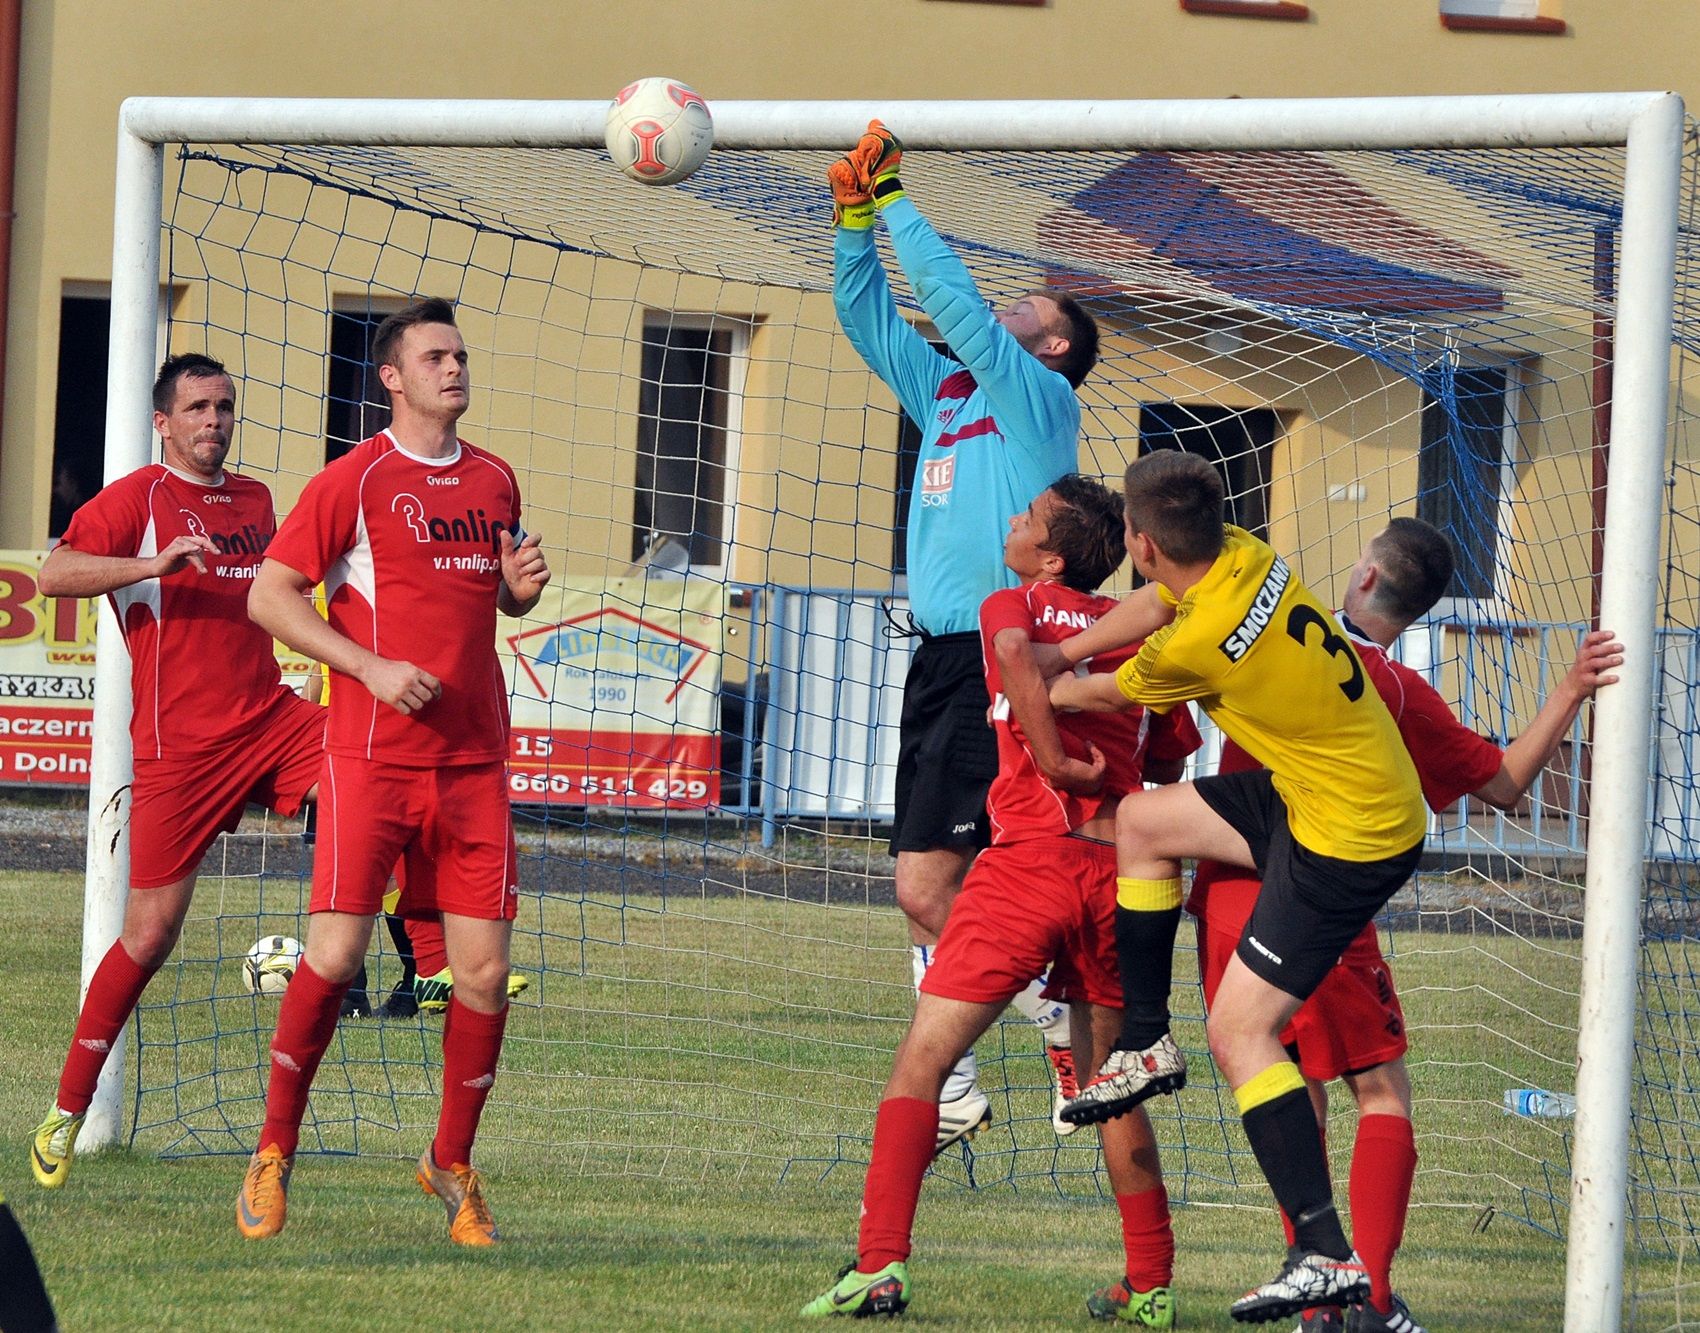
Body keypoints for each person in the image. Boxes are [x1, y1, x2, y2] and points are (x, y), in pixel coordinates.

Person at [1186, 518, 1622, 1333]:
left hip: (1222, 891)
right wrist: (1570, 688)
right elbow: (1503, 785)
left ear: (1362, 576)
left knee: (1287, 1085)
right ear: (1417, 609)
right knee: (1380, 1090)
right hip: (1318, 894)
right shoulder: (1393, 686)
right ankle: (1368, 1302)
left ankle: (1319, 1293)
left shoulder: (1279, 631)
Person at [1044, 450, 1430, 1323]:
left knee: (1240, 1029)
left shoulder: (1195, 644)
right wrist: (1061, 644)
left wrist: (1048, 679)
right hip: (1321, 792)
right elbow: (1162, 597)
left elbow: (1105, 689)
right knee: (1145, 823)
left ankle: (1325, 1252)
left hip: (1349, 837)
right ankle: (1145, 1039)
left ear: (1139, 542)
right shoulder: (1247, 554)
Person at [802, 475, 1199, 1323]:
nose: (1011, 520)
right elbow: (1169, 755)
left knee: (924, 1060)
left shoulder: (1008, 605)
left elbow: (1019, 657)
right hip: (1121, 875)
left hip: (1028, 865)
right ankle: (1152, 1282)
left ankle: (879, 1264)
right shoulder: (1138, 633)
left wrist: (1053, 761)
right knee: (1111, 1083)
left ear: (1049, 555)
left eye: (1025, 517)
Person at [235, 297, 550, 1245]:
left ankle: (451, 1163)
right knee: (333, 958)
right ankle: (272, 1149)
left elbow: (492, 603)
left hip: (474, 764)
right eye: (434, 357)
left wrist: (516, 594)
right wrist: (366, 667)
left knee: (484, 974)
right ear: (393, 377)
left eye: (460, 354)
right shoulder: (355, 479)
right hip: (370, 761)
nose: (454, 368)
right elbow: (268, 596)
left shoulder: (494, 480)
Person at [829, 118, 1102, 1147]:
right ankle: (979, 1067)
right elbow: (867, 316)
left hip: (1006, 657)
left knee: (926, 879)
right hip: (941, 658)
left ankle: (1049, 1030)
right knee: (926, 882)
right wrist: (853, 221)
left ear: (1056, 344)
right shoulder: (944, 391)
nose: (1003, 302)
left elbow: (952, 307)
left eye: (1025, 304)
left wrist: (895, 197)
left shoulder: (1034, 397)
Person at [29, 353, 327, 1190]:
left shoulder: (257, 501)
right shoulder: (139, 499)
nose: (214, 421)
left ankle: (418, 959)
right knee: (150, 935)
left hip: (269, 719)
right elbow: (54, 573)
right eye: (197, 407)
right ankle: (66, 1108)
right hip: (178, 751)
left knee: (370, 766)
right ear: (164, 421)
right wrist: (148, 567)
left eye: (225, 406)